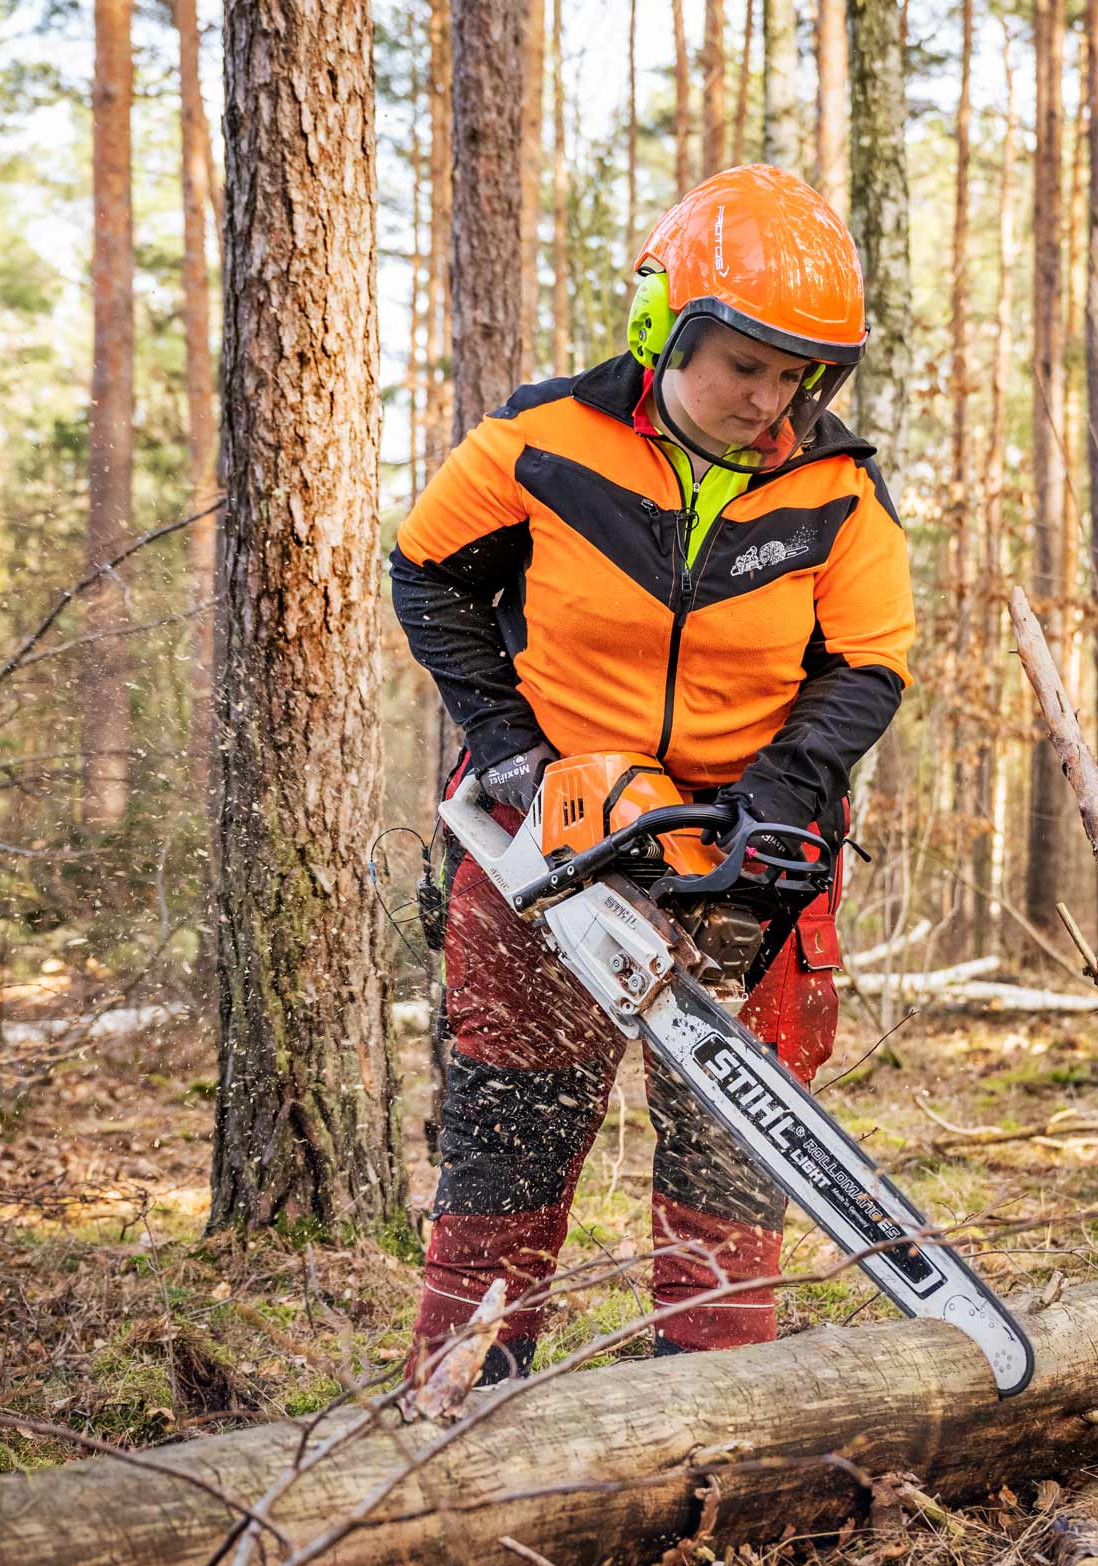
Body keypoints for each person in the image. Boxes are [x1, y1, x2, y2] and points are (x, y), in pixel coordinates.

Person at [389, 164, 912, 1382]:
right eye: (745, 363)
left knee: (733, 1143)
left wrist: (778, 799)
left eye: (795, 375)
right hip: (555, 836)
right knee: (510, 1127)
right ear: (664, 328)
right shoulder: (543, 443)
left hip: (747, 839)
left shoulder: (835, 492)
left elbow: (867, 666)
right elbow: (426, 570)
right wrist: (511, 746)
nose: (767, 398)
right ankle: (463, 1391)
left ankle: (708, 1413)